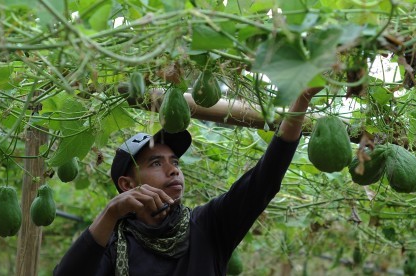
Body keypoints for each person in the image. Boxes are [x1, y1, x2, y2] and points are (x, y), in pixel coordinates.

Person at [53, 87, 323, 276]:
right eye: (156, 163)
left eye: (176, 162)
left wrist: (302, 99)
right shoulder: (112, 245)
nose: (173, 170)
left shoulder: (208, 226)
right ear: (126, 185)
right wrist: (110, 212)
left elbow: (263, 180)